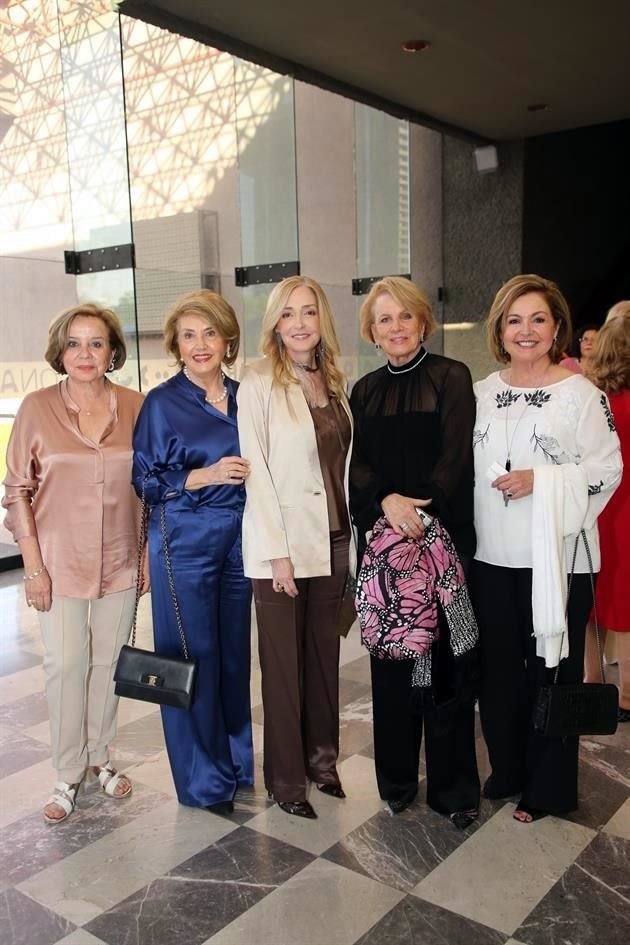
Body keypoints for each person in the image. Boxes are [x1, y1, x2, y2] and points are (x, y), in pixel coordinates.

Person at [472, 274, 622, 823]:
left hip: (557, 560)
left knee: (550, 671)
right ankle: (508, 769)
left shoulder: (583, 395)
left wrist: (544, 480)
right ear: (500, 330)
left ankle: (548, 787)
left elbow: (608, 470)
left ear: (556, 327)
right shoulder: (483, 392)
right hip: (491, 558)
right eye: (514, 320)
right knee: (500, 674)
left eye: (538, 319)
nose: (526, 330)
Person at [3, 303, 144, 824]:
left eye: (96, 343)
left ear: (112, 352)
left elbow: (148, 488)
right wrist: (33, 568)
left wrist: (147, 555)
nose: (85, 353)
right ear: (60, 352)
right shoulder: (37, 408)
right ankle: (67, 772)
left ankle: (100, 757)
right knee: (65, 664)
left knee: (109, 665)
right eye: (74, 343)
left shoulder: (135, 405)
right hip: (58, 563)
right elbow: (16, 491)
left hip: (121, 558)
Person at [349, 276, 480, 828]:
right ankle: (397, 783)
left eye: (405, 316)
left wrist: (421, 515)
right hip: (385, 550)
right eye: (384, 320)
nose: (396, 328)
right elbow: (356, 466)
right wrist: (386, 502)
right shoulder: (363, 390)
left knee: (449, 670)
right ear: (372, 332)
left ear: (423, 321)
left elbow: (457, 455)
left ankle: (453, 790)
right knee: (392, 667)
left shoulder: (452, 377)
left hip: (442, 543)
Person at [132, 290, 253, 814]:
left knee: (233, 657)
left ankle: (235, 763)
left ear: (227, 339)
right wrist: (201, 475)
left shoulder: (250, 395)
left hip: (242, 539)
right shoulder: (162, 402)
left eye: (209, 333)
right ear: (175, 345)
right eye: (188, 335)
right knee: (190, 658)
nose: (200, 345)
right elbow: (144, 479)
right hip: (183, 538)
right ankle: (201, 778)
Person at [237, 276, 352, 820]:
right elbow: (255, 472)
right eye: (288, 314)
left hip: (333, 539)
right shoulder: (257, 381)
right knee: (283, 668)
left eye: (308, 312)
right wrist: (276, 553)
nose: (300, 323)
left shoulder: (334, 380)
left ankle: (322, 763)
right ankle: (287, 782)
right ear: (275, 324)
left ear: (321, 318)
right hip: (281, 547)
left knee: (323, 659)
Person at [583, 309, 630, 721]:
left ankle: (593, 683)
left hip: (597, 509)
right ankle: (629, 694)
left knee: (593, 602)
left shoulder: (593, 399)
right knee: (626, 604)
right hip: (626, 510)